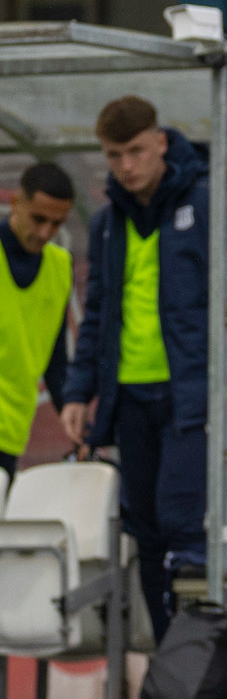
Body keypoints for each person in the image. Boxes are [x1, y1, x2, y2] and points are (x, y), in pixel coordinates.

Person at [60, 95, 227, 643]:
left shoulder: (208, 202)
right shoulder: (108, 222)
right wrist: (79, 392)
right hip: (130, 395)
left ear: (159, 141)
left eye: (134, 151)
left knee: (183, 524)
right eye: (113, 156)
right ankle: (168, 664)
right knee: (146, 529)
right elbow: (99, 311)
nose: (126, 166)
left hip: (193, 392)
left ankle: (199, 657)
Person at [0, 162, 75, 485]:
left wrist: (75, 418)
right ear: (17, 202)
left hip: (10, 433)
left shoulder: (60, 267)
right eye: (38, 219)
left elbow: (56, 361)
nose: (45, 232)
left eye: (56, 223)